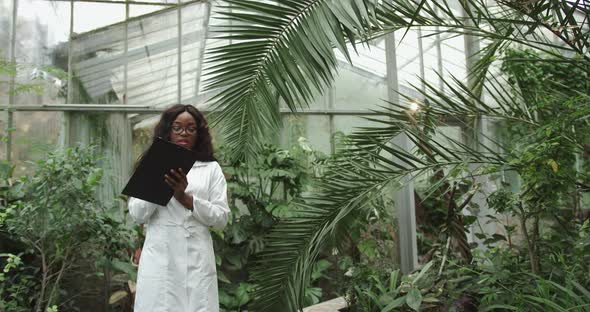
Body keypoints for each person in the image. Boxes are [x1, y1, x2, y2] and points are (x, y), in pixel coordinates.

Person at [128, 104, 230, 312]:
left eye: (191, 128)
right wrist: (160, 185)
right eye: (177, 127)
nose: (184, 133)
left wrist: (185, 198)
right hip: (161, 256)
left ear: (198, 133)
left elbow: (221, 218)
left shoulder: (211, 168)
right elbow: (137, 214)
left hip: (197, 257)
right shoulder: (153, 163)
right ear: (168, 130)